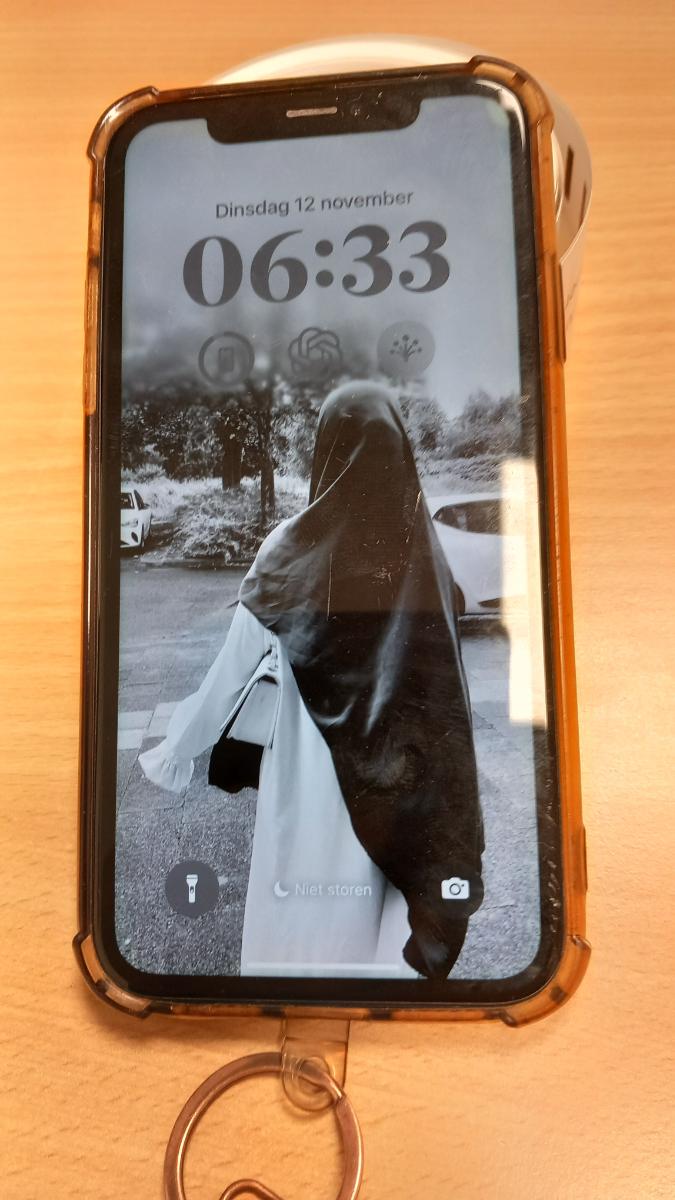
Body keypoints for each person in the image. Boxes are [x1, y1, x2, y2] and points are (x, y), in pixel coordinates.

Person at [140, 381, 483, 979]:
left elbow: (229, 676)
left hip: (306, 780)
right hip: (394, 794)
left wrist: (177, 748)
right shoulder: (423, 559)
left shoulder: (288, 550)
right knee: (373, 944)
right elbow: (446, 700)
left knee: (296, 930)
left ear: (326, 451)